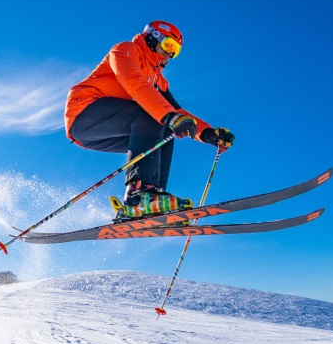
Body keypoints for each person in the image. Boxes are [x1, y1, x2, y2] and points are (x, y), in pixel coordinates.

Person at [64, 20, 235, 219]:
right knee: (155, 114)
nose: (170, 55)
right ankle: (138, 196)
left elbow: (176, 110)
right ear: (154, 37)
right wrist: (169, 116)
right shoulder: (126, 50)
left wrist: (207, 133)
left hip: (107, 132)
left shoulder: (158, 80)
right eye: (169, 46)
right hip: (85, 114)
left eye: (176, 51)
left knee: (167, 130)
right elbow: (133, 81)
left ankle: (153, 199)